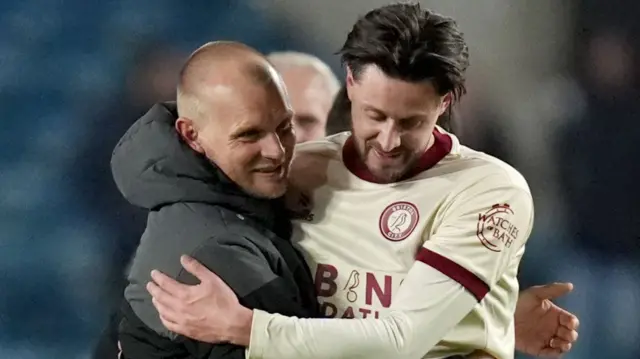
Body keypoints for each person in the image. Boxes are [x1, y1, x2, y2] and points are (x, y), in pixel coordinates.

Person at [145, 4, 579, 359]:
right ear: (350, 83)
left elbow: (401, 339)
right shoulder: (300, 170)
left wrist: (246, 328)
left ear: (444, 101)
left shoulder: (488, 191)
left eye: (411, 122)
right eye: (375, 116)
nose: (389, 140)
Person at [111, 41, 319, 358]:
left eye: (284, 127)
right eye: (249, 134)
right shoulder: (217, 254)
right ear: (191, 135)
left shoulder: (207, 208)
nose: (276, 151)